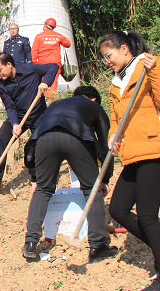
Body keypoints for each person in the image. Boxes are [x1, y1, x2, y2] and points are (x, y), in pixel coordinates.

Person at [100, 30, 160, 291]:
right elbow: (116, 117)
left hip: (153, 148)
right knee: (119, 209)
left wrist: (156, 71)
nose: (107, 61)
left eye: (108, 55)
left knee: (147, 216)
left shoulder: (148, 68)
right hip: (133, 153)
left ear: (125, 49)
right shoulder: (116, 82)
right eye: (104, 58)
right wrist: (113, 135)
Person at [21, 86, 116, 261]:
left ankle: (31, 243)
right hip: (76, 138)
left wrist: (35, 176)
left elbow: (35, 133)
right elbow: (105, 143)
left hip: (44, 140)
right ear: (94, 99)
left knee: (43, 189)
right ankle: (97, 245)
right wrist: (104, 178)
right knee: (92, 190)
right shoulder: (95, 107)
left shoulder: (56, 105)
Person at [0, 53, 58, 189]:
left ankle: (38, 178)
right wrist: (14, 124)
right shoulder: (1, 85)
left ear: (9, 64)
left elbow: (53, 67)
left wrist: (45, 82)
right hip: (19, 116)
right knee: (2, 137)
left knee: (36, 144)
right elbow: (10, 106)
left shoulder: (30, 69)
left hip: (38, 115)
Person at [32, 18, 72, 99]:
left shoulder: (39, 36)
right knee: (53, 83)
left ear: (46, 25)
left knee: (42, 83)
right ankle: (50, 101)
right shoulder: (58, 36)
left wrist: (34, 64)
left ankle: (43, 100)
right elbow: (68, 44)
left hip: (42, 65)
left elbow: (34, 51)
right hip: (55, 64)